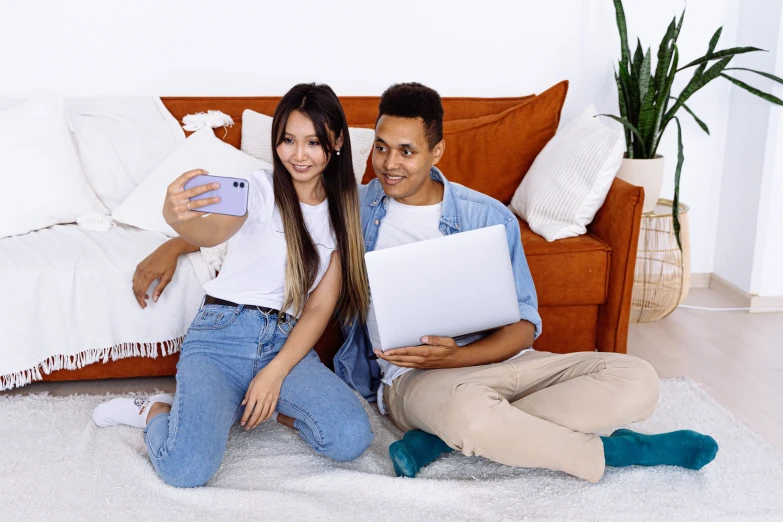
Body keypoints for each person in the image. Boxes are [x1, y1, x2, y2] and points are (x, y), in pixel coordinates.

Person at [134, 83, 718, 484]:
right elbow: (255, 220)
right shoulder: (354, 210)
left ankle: (446, 439)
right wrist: (175, 234)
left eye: (407, 151)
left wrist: (465, 355)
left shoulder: (488, 216)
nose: (389, 163)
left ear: (437, 150)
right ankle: (613, 452)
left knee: (635, 378)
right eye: (382, 147)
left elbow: (524, 326)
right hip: (413, 377)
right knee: (474, 418)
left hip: (489, 363)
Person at [93, 83, 374, 488]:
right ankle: (156, 411)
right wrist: (178, 221)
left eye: (313, 142)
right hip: (221, 337)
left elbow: (317, 309)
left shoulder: (343, 214)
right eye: (288, 141)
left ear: (337, 141)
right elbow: (213, 232)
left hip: (284, 342)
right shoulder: (258, 189)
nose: (299, 155)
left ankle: (262, 407)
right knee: (185, 470)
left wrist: (274, 373)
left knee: (352, 437)